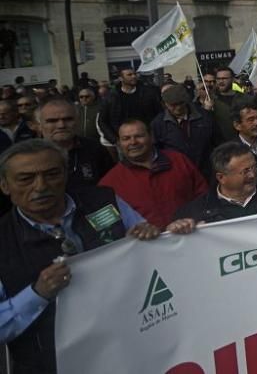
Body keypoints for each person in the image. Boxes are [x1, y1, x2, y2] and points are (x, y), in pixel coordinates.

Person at [0, 139, 190, 374]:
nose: (41, 186)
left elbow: (148, 240)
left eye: (51, 174)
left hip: (132, 345)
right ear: (5, 185)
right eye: (26, 179)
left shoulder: (103, 200)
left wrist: (153, 236)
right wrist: (37, 294)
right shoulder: (4, 242)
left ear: (65, 174)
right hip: (53, 364)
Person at [99, 120, 208, 228]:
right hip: (146, 243)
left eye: (139, 136)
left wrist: (193, 219)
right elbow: (108, 228)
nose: (133, 142)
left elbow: (204, 196)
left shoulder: (179, 161)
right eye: (126, 138)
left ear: (151, 137)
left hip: (191, 233)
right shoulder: (109, 183)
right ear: (119, 143)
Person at [174, 142, 257, 223]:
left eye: (254, 167)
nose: (252, 175)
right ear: (221, 178)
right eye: (245, 171)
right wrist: (177, 230)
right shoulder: (196, 213)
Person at [36, 98, 113, 190]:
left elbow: (110, 185)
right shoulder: (27, 155)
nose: (61, 125)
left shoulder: (95, 149)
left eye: (68, 119)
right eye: (52, 121)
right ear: (39, 126)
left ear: (77, 121)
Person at [151, 84, 219, 179]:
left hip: (206, 172)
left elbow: (217, 142)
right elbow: (155, 151)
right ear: (165, 104)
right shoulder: (158, 123)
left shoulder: (204, 117)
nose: (178, 108)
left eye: (181, 103)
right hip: (176, 174)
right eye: (173, 105)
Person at [96, 67, 161, 145]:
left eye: (134, 74)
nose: (134, 76)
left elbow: (159, 114)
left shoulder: (148, 93)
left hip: (146, 137)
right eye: (129, 75)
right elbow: (102, 121)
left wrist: (154, 135)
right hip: (123, 140)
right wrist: (115, 140)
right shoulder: (112, 97)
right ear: (121, 78)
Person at [208, 67, 241, 141]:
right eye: (218, 79)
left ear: (232, 79)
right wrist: (206, 110)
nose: (221, 81)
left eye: (224, 78)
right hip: (220, 144)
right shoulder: (210, 100)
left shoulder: (244, 99)